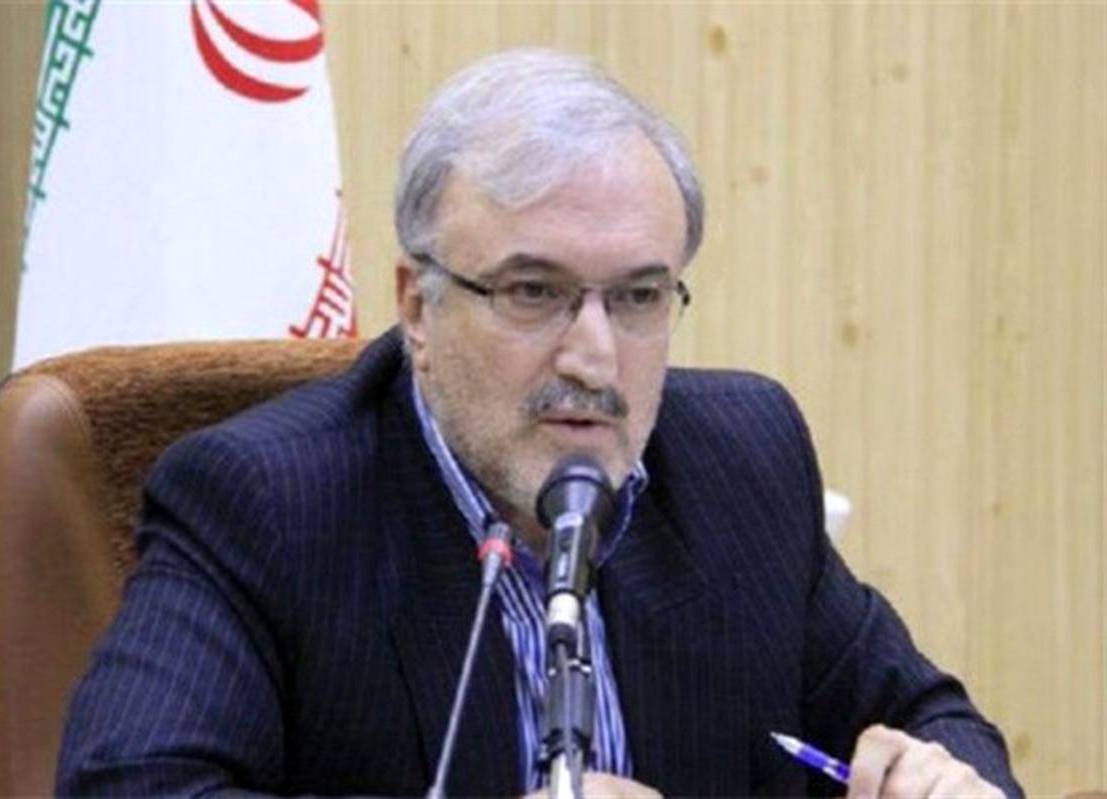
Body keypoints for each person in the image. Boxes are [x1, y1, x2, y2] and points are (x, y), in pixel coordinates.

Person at [57, 48, 1021, 797]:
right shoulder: (265, 502)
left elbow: (932, 718)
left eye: (638, 296)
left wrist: (938, 775)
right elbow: (129, 786)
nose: (593, 358)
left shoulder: (743, 463)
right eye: (533, 291)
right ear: (419, 307)